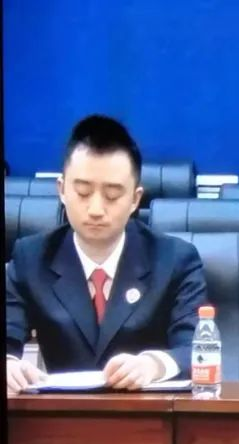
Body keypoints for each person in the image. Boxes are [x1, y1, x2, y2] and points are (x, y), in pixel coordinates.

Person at [6, 114, 208, 395]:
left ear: (135, 199)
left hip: (150, 414)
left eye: (112, 196)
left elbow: (198, 350)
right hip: (62, 414)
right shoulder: (31, 258)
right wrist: (8, 364)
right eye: (83, 192)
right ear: (62, 190)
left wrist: (153, 365)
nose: (96, 209)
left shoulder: (176, 259)